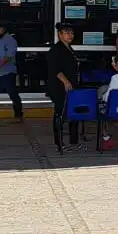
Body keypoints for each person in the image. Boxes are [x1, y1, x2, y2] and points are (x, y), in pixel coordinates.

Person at [46, 20, 83, 154]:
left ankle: (74, 141)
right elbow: (55, 69)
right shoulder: (56, 49)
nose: (70, 35)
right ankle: (60, 143)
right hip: (60, 87)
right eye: (66, 32)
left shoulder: (70, 48)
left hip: (73, 87)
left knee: (74, 113)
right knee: (60, 114)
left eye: (71, 32)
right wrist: (66, 81)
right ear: (59, 34)